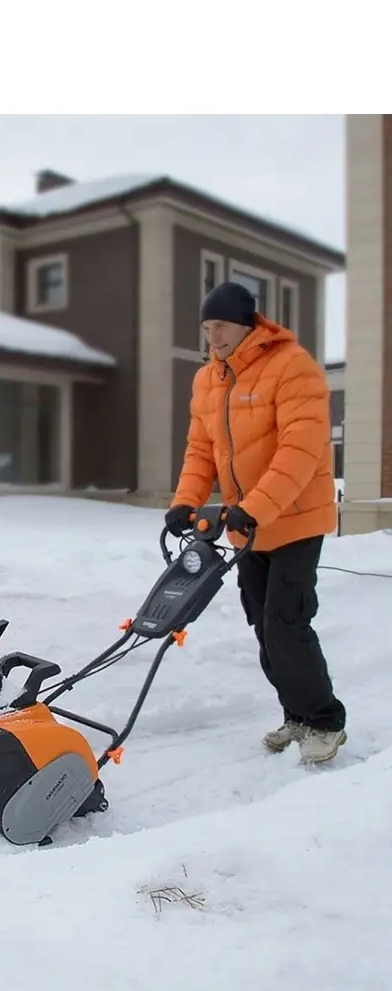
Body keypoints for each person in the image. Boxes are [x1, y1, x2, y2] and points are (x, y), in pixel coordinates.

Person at [166, 280, 346, 764]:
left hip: (295, 520)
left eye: (220, 326)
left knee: (286, 623)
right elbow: (201, 450)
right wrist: (186, 501)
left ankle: (325, 720)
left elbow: (300, 449)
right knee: (265, 628)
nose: (213, 337)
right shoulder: (209, 379)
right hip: (246, 527)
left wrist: (258, 507)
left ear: (247, 325)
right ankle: (297, 714)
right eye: (206, 328)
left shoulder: (292, 367)